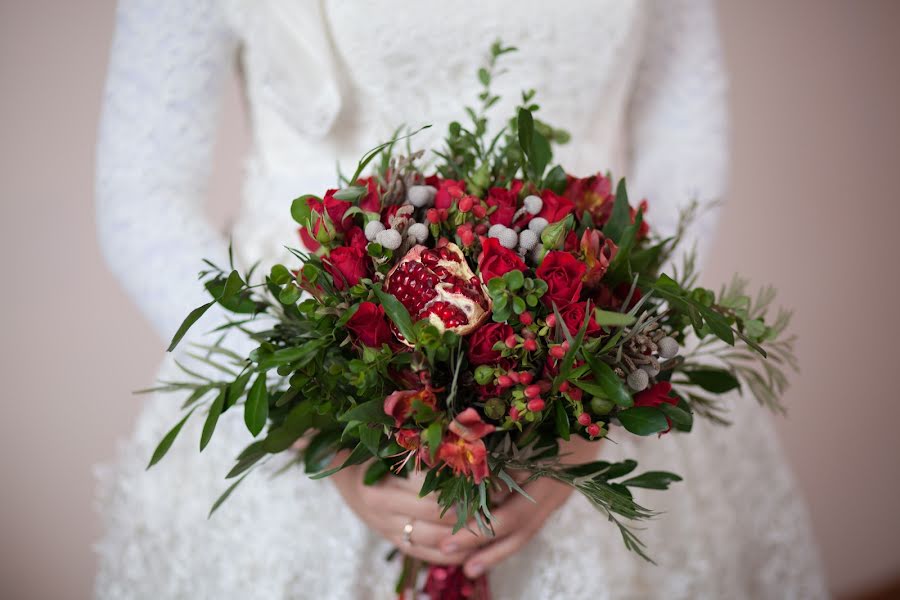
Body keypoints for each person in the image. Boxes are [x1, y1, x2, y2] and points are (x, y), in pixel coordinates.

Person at [95, 1, 828, 597]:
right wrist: (320, 429)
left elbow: (682, 137)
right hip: (316, 363)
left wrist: (597, 394)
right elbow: (141, 194)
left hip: (585, 342)